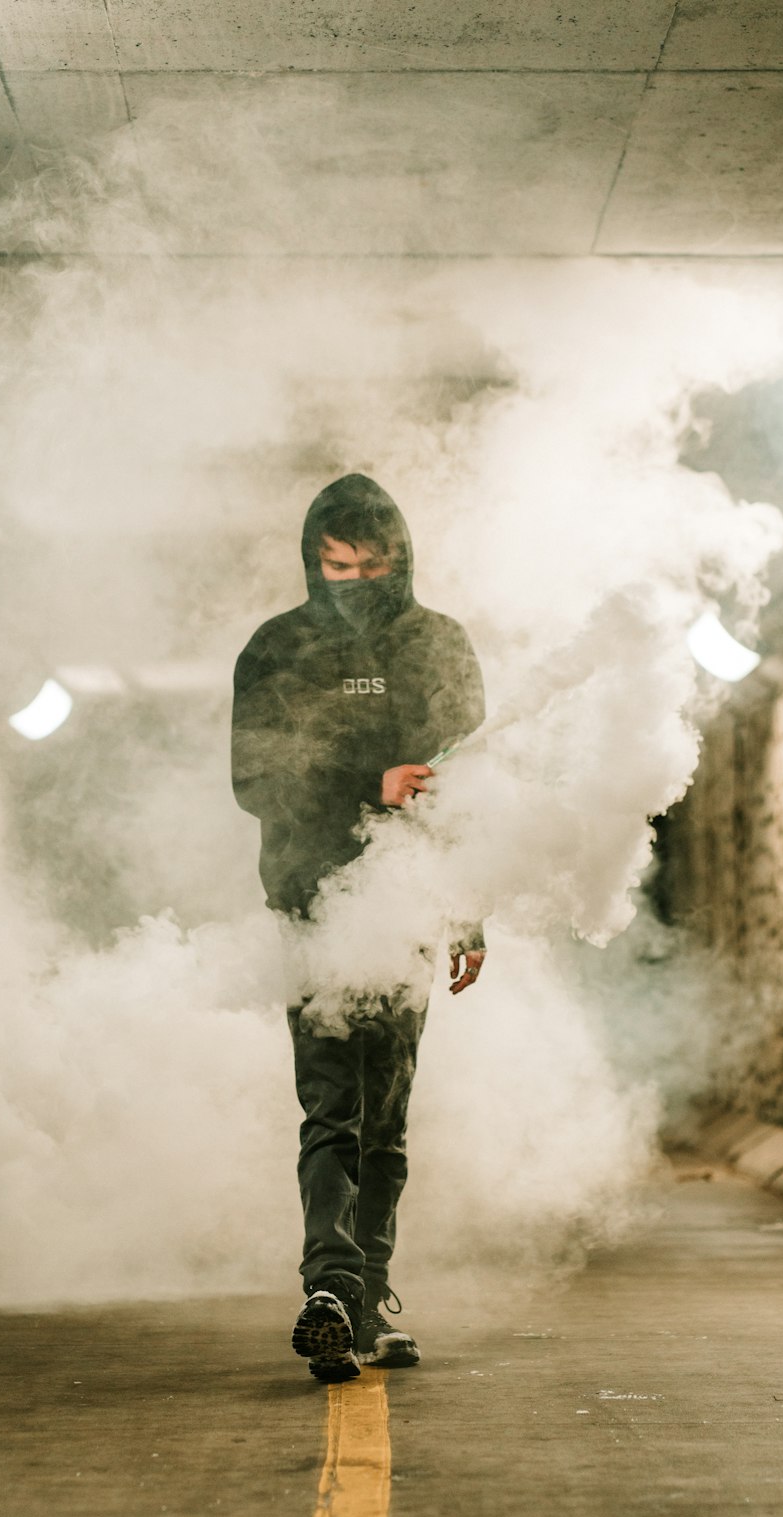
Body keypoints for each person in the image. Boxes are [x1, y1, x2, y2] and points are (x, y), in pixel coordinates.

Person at [231, 473, 486, 1382]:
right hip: (311, 905)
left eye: (370, 567)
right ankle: (329, 1287)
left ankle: (368, 1298)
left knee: (387, 1120)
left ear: (399, 560)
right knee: (331, 1107)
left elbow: (473, 791)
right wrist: (366, 784)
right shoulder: (276, 650)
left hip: (410, 906)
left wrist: (467, 909)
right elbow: (253, 781)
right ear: (313, 562)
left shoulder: (438, 647)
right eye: (336, 567)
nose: (353, 582)